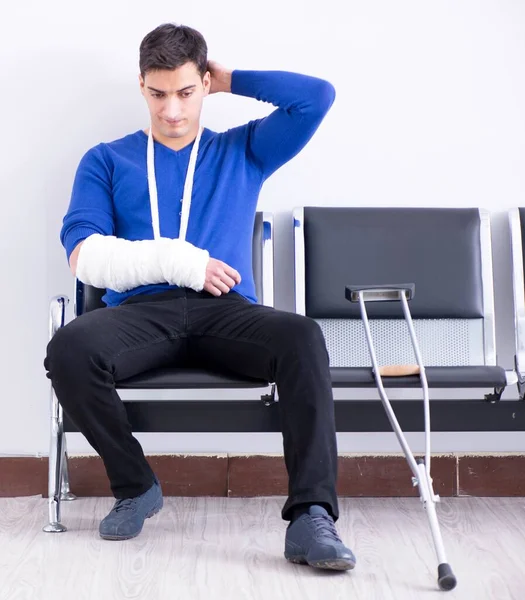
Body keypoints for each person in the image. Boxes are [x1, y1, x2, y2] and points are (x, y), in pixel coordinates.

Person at [44, 22, 356, 571]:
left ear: (203, 85)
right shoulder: (105, 159)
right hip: (141, 312)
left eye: (186, 92)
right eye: (159, 93)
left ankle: (311, 518)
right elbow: (84, 254)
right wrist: (175, 262)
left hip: (226, 311)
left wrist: (229, 78)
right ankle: (136, 486)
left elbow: (316, 97)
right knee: (68, 349)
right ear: (141, 86)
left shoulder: (243, 150)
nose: (171, 111)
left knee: (302, 335)